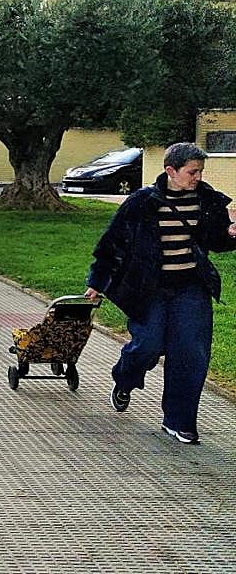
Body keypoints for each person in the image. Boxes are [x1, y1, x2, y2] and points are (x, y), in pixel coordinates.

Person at [84, 142, 236, 444]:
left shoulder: (206, 200)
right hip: (149, 288)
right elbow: (112, 244)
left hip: (191, 287)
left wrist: (234, 234)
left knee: (191, 353)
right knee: (148, 346)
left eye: (200, 172)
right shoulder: (141, 202)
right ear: (171, 171)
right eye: (192, 172)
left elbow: (217, 241)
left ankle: (179, 422)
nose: (198, 177)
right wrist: (97, 282)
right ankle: (125, 378)